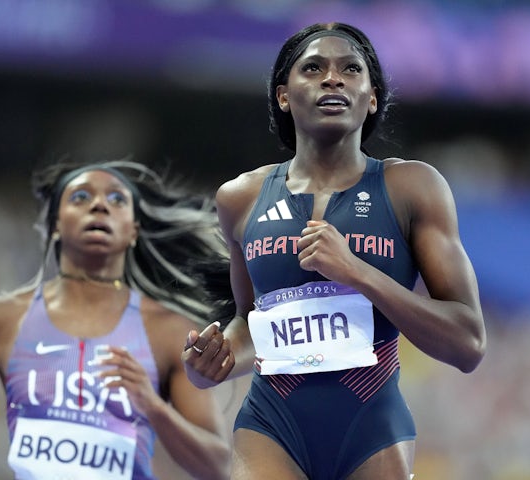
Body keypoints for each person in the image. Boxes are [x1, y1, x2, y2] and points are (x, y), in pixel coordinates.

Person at [181, 22, 486, 480]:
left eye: (350, 69)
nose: (332, 78)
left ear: (372, 97)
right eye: (314, 68)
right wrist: (216, 364)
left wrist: (356, 271)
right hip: (271, 423)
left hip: (371, 426)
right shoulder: (240, 197)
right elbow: (250, 323)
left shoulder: (412, 188)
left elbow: (468, 344)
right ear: (284, 95)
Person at [0, 157, 232, 480]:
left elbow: (219, 466)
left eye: (117, 199)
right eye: (81, 197)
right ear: (54, 223)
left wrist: (153, 406)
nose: (99, 206)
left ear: (133, 229)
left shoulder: (167, 331)